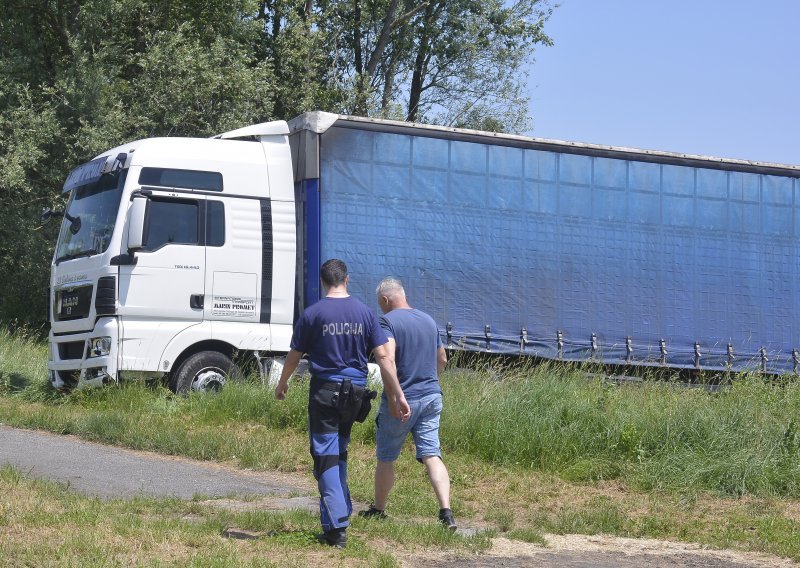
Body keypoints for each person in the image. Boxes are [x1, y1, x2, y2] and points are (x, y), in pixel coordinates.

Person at [274, 259, 411, 549]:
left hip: (324, 392)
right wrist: (397, 393)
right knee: (339, 452)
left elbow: (294, 354)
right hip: (355, 393)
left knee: (325, 456)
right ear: (346, 280)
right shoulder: (364, 312)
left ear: (323, 282)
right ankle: (339, 511)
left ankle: (337, 526)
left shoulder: (312, 314)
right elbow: (384, 356)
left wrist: (283, 382)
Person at [359, 277, 456, 530]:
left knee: (386, 457)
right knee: (432, 454)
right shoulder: (428, 320)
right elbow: (443, 359)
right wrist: (430, 378)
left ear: (385, 300)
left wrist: (394, 395)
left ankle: (378, 509)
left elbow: (386, 359)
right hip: (433, 395)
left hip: (403, 400)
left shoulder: (386, 321)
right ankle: (446, 512)